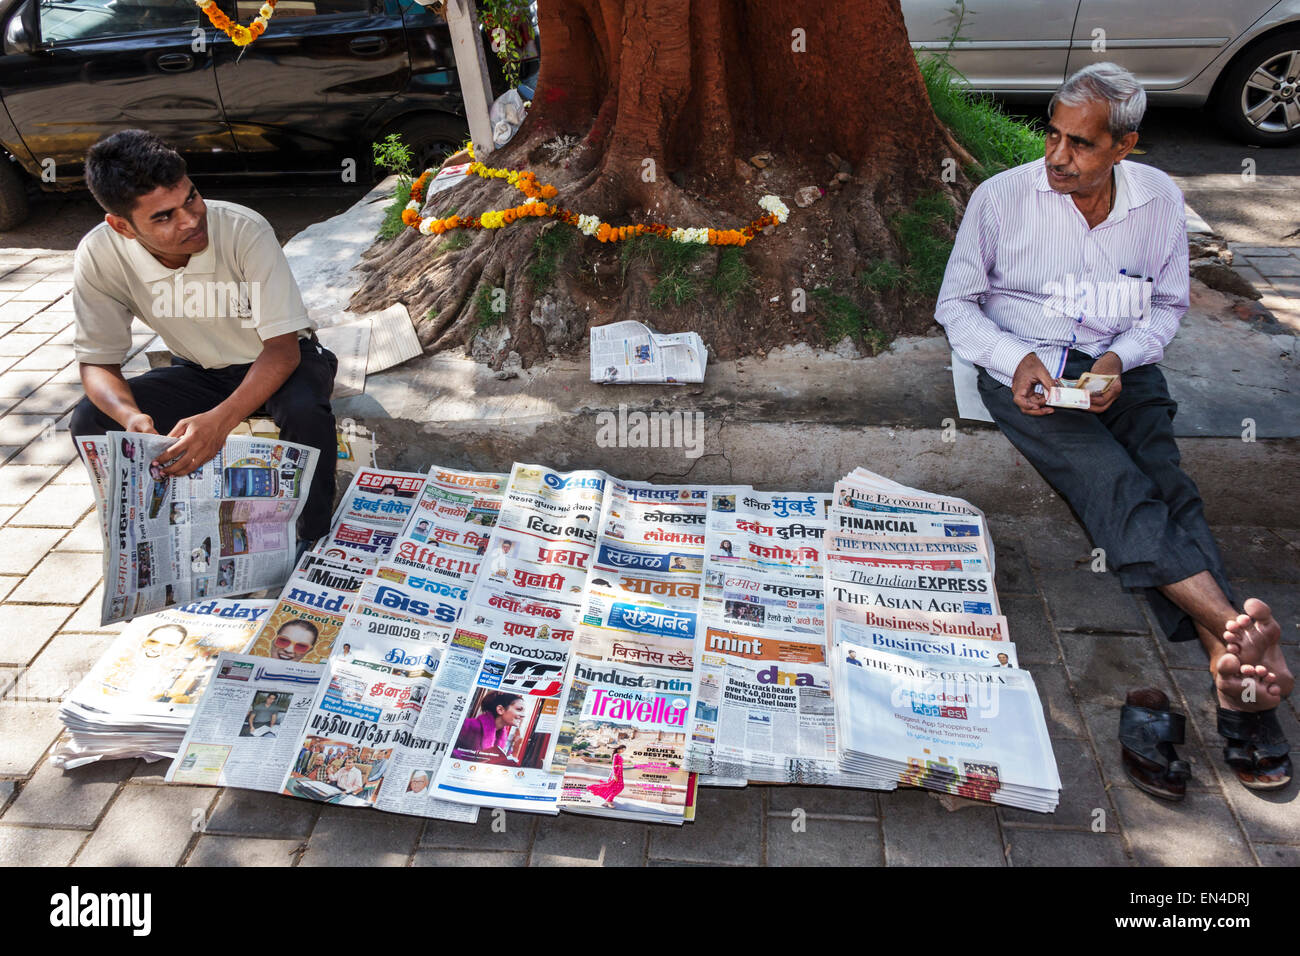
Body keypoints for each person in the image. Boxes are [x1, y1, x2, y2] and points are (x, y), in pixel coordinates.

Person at [936, 62, 1292, 794]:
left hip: (1118, 369)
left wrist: (1117, 360)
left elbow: (1165, 307)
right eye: (1053, 137)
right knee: (1114, 483)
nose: (1058, 158)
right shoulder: (1002, 199)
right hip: (1025, 373)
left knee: (1169, 485)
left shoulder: (1159, 199)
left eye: (1082, 145)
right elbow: (957, 305)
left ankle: (1235, 675)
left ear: (1124, 147)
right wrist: (1016, 359)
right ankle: (1236, 654)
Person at [68, 129, 338, 558]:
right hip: (200, 371)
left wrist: (220, 422)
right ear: (122, 226)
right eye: (163, 217)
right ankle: (150, 531)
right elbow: (97, 362)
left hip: (281, 361)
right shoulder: (99, 254)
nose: (191, 220)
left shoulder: (243, 229)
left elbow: (283, 351)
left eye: (191, 199)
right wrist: (131, 416)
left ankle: (312, 537)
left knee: (306, 411)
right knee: (89, 420)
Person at [452, 691, 524, 760]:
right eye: (519, 709)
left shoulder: (500, 737)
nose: (523, 715)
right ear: (500, 710)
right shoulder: (468, 725)